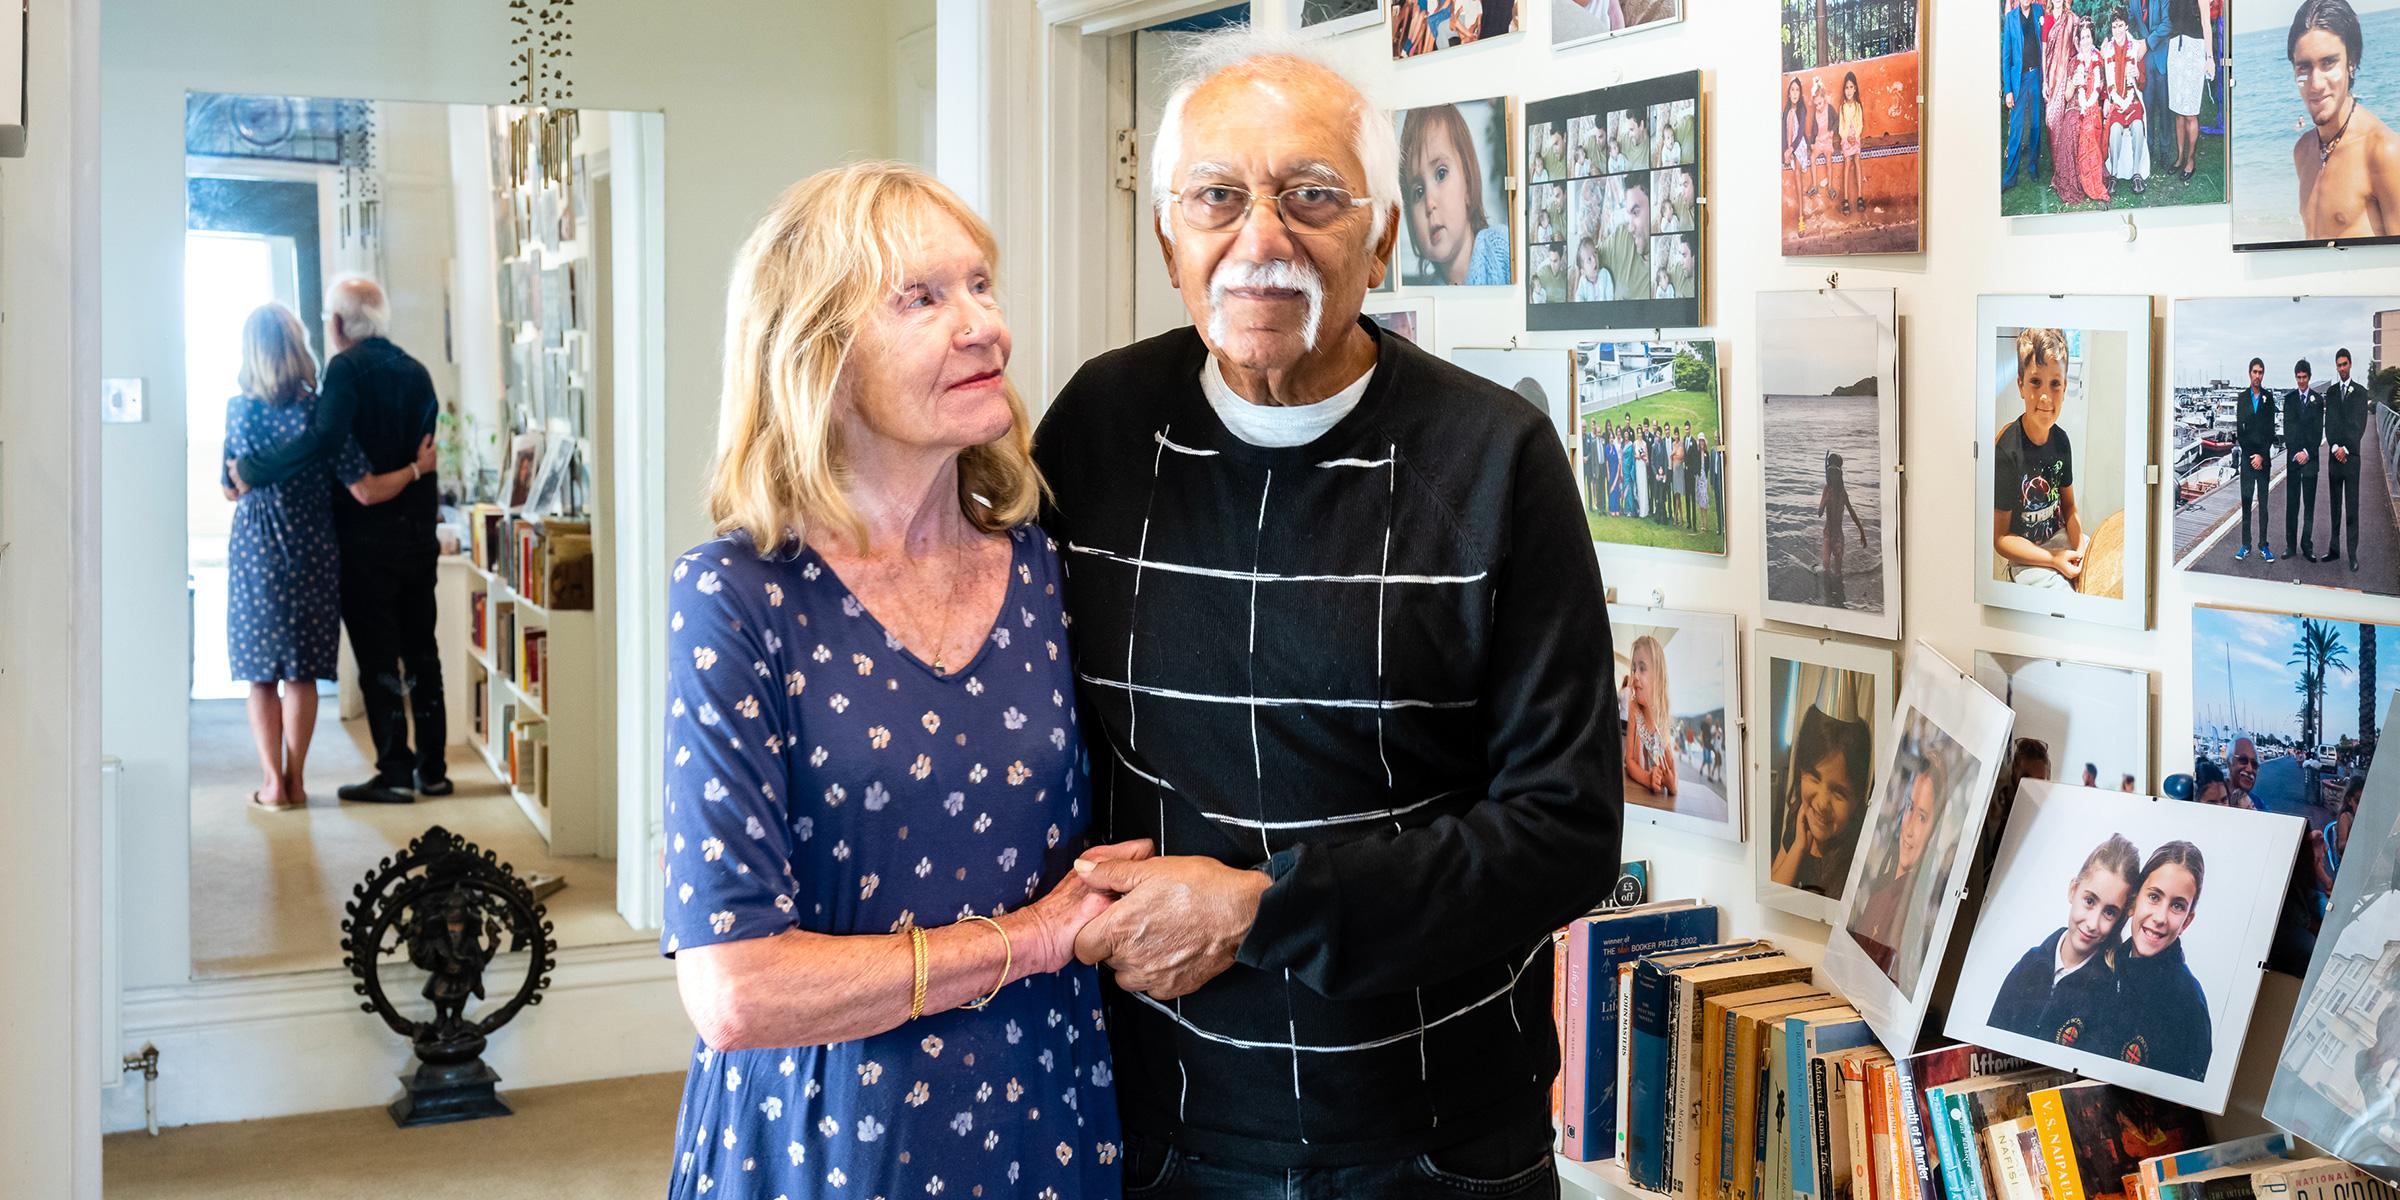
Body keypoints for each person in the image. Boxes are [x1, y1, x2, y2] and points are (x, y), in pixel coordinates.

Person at [1034, 32, 1621, 1196]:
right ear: (1167, 238)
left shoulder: (1496, 456)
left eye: (1310, 195)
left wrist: (1263, 910)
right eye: (1215, 197)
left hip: (1440, 1139)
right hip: (1162, 1125)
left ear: (1382, 233)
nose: (1260, 239)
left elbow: (1566, 835)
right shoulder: (1097, 430)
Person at [658, 162, 1138, 1200]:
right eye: (921, 298)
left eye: (980, 286)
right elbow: (736, 988)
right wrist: (1031, 938)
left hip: (1047, 1113)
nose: (984, 327)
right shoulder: (736, 597)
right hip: (831, 1136)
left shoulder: (1052, 569)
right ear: (817, 356)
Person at [230, 275, 449, 805]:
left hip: (332, 543)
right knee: (419, 650)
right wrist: (417, 474)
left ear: (335, 324)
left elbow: (308, 450)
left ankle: (376, 771)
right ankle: (432, 770)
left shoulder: (335, 376)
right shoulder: (418, 372)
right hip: (398, 537)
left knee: (369, 658)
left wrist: (257, 470)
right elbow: (399, 458)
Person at [1987, 834, 2142, 1040]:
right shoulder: (2029, 963)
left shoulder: (2108, 992)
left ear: (2120, 918)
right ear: (2073, 890)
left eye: (2110, 912)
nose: (2093, 923)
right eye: (2089, 900)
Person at [2094, 841, 2215, 1081]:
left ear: (2187, 922)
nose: (2160, 917)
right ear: (2133, 901)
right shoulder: (2099, 964)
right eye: (2153, 897)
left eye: (2177, 906)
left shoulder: (2188, 1005)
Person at [2290, 0, 2400, 240]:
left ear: (2351, 62)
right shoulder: (2303, 151)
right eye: (2304, 67)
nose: (2316, 83)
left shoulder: (2384, 151)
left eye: (2329, 63)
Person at [1993, 328, 2086, 589]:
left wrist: (2079, 550)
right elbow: (2000, 539)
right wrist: (2054, 559)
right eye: (2036, 382)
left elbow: (2069, 507)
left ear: (2065, 387)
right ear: (2021, 385)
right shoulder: (2006, 450)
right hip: (2026, 557)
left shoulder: (2062, 441)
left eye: (2055, 383)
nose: (2046, 396)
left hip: (2060, 540)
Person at [1848, 754, 1951, 986]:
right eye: (1909, 808)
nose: (1910, 828)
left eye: (1923, 818)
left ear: (1935, 830)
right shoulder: (1881, 886)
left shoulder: (1916, 907)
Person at [1770, 705, 1874, 897]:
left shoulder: (1856, 859)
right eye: (1815, 778)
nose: (1821, 803)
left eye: (1839, 792)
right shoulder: (1799, 821)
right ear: (1801, 770)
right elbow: (1772, 895)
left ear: (1858, 798)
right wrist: (1798, 848)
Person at [1401, 103, 1510, 287]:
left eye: (1441, 174)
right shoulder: (1430, 295)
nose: (1429, 203)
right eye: (1418, 192)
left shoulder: (1503, 249)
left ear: (1467, 182)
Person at [2326, 348, 2370, 570]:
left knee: (2352, 507)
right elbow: (2330, 424)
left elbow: (2360, 424)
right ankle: (2334, 550)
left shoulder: (2361, 392)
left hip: (2352, 459)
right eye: (2339, 365)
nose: (2342, 368)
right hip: (2335, 459)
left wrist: (2345, 448)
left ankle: (2352, 554)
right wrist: (2334, 447)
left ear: (2350, 364)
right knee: (2335, 507)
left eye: (2344, 364)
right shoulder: (2332, 393)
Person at [1623, 635, 1677, 799]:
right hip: (1634, 794)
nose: (1635, 676)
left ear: (1658, 677)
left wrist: (1669, 782)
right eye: (1633, 669)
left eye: (1642, 668)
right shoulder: (1634, 708)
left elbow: (1673, 783)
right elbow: (1629, 762)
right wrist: (1648, 778)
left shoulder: (1662, 720)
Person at [2046, 10, 2092, 205]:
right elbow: (2066, 96)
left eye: (2089, 37)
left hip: (2092, 106)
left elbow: (2103, 90)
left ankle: (2089, 176)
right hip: (2074, 106)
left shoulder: (2099, 58)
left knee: (2088, 123)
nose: (2086, 41)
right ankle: (2073, 179)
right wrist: (2074, 82)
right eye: (2082, 38)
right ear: (2077, 41)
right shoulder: (2073, 63)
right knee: (2071, 124)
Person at [2235, 357, 2278, 562]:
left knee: (2263, 503)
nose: (2257, 376)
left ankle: (2263, 544)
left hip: (2263, 459)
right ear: (2249, 373)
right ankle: (2246, 544)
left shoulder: (2269, 399)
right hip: (2247, 459)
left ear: (2263, 374)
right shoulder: (2242, 398)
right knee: (2245, 502)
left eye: (2260, 372)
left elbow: (2270, 430)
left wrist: (2261, 455)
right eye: (2254, 372)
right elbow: (2239, 431)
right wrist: (2251, 455)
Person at [2104, 13, 2152, 195]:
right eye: (2114, 26)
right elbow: (2109, 84)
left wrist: (2137, 75)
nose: (2117, 30)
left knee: (2138, 126)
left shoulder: (2135, 48)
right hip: (2116, 100)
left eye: (2120, 25)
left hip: (2133, 99)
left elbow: (2142, 82)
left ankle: (2136, 173)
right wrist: (2117, 100)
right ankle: (2114, 173)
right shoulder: (2107, 50)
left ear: (2126, 27)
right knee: (2115, 129)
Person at [2165, 0, 2212, 182]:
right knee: (2177, 110)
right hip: (2175, 50)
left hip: (2194, 50)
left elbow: (2206, 23)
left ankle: (2190, 159)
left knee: (2190, 112)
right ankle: (2180, 157)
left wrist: (2210, 58)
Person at [2004, 0, 2048, 190]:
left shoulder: (2039, 11)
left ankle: (2033, 167)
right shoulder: (2010, 18)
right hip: (2019, 80)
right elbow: (2006, 57)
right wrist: (2008, 90)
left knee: (2036, 126)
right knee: (2016, 129)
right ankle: (2010, 177)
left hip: (2036, 76)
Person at [2287, 359, 2327, 562]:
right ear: (2295, 377)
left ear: (2309, 377)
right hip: (2294, 460)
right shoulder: (2289, 399)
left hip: (2310, 461)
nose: (2301, 381)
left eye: (2304, 377)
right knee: (2292, 504)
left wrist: (2307, 453)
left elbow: (2318, 431)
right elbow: (2288, 430)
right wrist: (2296, 453)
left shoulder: (2318, 400)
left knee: (2308, 506)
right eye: (2298, 377)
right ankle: (2290, 546)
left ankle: (2307, 545)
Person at [1820, 451, 1869, 606]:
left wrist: (1862, 531)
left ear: (1839, 475)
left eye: (1836, 473)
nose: (1833, 477)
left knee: (1838, 573)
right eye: (1831, 473)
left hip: (1839, 536)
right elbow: (1819, 513)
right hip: (1828, 533)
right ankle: (1828, 597)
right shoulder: (1826, 490)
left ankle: (1839, 599)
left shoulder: (1843, 493)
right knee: (1826, 564)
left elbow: (1852, 511)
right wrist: (1825, 500)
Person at [1599, 180, 1655, 303]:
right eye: (1630, 214)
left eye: (1636, 213)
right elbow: (1585, 261)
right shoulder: (1621, 236)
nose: (1631, 228)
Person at [2133, 0, 2175, 163]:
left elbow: (2167, 24)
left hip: (2161, 58)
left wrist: (2147, 43)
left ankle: (2165, 150)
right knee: (2147, 108)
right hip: (2144, 62)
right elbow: (2130, 22)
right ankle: (2148, 149)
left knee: (2164, 108)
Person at [1784, 76, 1815, 212]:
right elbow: (1784, 134)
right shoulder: (1786, 111)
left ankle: (1801, 215)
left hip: (1799, 144)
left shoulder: (1801, 109)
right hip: (1790, 145)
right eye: (1792, 90)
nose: (1795, 93)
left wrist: (1791, 149)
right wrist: (1785, 151)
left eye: (1797, 90)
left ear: (1800, 93)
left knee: (1797, 170)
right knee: (1792, 162)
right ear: (1789, 93)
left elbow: (1801, 132)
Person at [1810, 77, 1841, 209]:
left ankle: (1830, 187)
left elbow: (1837, 121)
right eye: (1816, 104)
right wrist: (1812, 142)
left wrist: (1832, 132)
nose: (1818, 107)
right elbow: (1812, 129)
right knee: (1812, 158)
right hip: (1819, 141)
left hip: (1827, 140)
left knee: (1829, 160)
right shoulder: (1815, 113)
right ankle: (1815, 186)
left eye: (1820, 103)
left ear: (1824, 99)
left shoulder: (1830, 109)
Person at [1838, 72, 1866, 213]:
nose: (1849, 90)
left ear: (1855, 89)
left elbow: (1860, 125)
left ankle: (1860, 196)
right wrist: (1846, 138)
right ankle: (1846, 199)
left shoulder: (1857, 106)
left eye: (1851, 87)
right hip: (1845, 139)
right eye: (1846, 87)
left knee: (1857, 159)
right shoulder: (1842, 108)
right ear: (1844, 90)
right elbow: (1841, 128)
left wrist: (1856, 136)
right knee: (1847, 162)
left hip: (1856, 138)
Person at [2227, 737, 2262, 809]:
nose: (2250, 769)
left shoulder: (2257, 802)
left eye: (2254, 764)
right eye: (2243, 760)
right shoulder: (2214, 797)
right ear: (2229, 763)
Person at [1573, 235, 1608, 302]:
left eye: (1595, 253)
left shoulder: (1605, 274)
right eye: (1589, 259)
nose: (1594, 259)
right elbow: (1578, 297)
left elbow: (1609, 293)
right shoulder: (1583, 282)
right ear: (1583, 271)